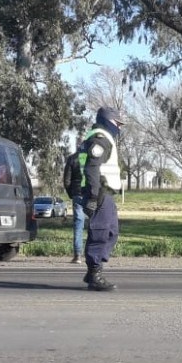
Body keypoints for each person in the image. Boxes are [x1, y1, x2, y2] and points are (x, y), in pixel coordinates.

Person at [73, 106, 124, 291]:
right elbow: (91, 169)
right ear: (108, 121)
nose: (119, 127)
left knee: (111, 232)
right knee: (100, 232)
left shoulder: (103, 138)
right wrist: (93, 197)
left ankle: (93, 270)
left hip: (105, 192)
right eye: (117, 123)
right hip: (100, 192)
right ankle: (95, 273)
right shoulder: (100, 139)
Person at [62, 144, 86, 265]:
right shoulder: (92, 158)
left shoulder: (72, 158)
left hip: (77, 193)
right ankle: (95, 254)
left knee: (78, 224)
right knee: (95, 224)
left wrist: (71, 194)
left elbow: (66, 181)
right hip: (91, 194)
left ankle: (77, 256)